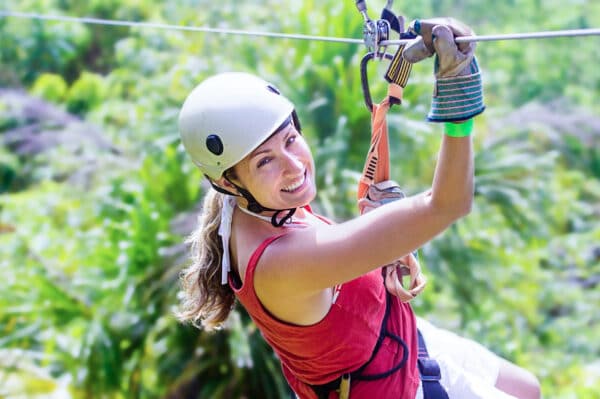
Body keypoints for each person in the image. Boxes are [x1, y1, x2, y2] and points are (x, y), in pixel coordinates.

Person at [175, 17, 541, 399]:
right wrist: (459, 106)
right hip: (392, 385)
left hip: (392, 339)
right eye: (264, 161)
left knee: (527, 388)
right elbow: (449, 204)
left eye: (290, 139)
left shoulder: (252, 204)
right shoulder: (279, 263)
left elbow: (331, 258)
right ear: (229, 181)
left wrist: (381, 247)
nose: (293, 164)